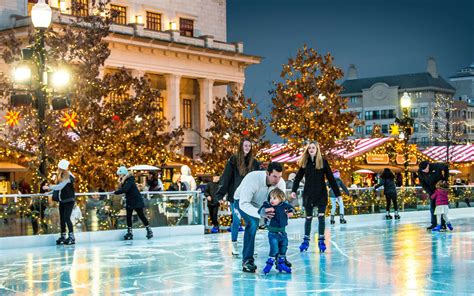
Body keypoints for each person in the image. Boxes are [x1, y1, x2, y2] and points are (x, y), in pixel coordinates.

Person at [291, 141, 342, 253]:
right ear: (307, 150)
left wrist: (338, 194)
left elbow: (331, 179)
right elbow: (298, 178)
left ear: (317, 149)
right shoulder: (305, 163)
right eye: (309, 148)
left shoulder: (323, 162)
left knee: (321, 217)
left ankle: (321, 240)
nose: (311, 150)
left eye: (313, 148)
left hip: (321, 193)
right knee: (308, 218)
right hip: (308, 194)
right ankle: (306, 240)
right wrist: (293, 190)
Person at [236, 162, 286, 273]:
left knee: (278, 223)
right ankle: (247, 261)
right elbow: (243, 203)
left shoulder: (280, 183)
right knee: (253, 223)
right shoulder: (253, 179)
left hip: (262, 205)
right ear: (267, 173)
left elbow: (280, 204)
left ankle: (280, 258)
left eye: (279, 177)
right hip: (241, 201)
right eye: (274, 176)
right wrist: (261, 213)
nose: (277, 180)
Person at [215, 138, 261, 256]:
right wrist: (220, 194)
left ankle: (250, 246)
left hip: (250, 197)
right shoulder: (233, 160)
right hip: (235, 196)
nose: (247, 148)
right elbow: (226, 177)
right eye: (245, 145)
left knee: (252, 222)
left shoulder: (254, 163)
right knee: (236, 220)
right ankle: (234, 244)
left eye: (249, 146)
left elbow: (258, 179)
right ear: (241, 146)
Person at [259, 188, 294, 274]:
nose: (272, 200)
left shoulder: (284, 205)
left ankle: (281, 263)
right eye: (271, 198)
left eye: (274, 198)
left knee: (284, 247)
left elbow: (291, 209)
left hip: (283, 233)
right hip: (272, 233)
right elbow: (260, 210)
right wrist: (265, 210)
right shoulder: (268, 205)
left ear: (281, 198)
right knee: (274, 249)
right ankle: (269, 264)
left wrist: (290, 213)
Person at [114, 166, 153, 240]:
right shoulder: (124, 181)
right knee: (128, 216)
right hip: (130, 200)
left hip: (136, 200)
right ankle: (130, 232)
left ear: (124, 174)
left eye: (120, 175)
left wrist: (115, 192)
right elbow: (122, 188)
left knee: (141, 215)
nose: (119, 176)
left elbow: (125, 189)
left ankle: (149, 230)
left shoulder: (130, 179)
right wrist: (120, 183)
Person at [43, 159, 76, 245]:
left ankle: (71, 236)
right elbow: (58, 189)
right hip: (62, 200)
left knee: (66, 218)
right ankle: (63, 235)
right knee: (62, 219)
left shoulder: (68, 176)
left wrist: (49, 187)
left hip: (69, 200)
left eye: (60, 168)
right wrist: (49, 192)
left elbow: (60, 187)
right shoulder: (61, 175)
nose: (58, 169)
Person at [418, 161, 449, 230]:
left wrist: (445, 179)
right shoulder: (420, 172)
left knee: (440, 208)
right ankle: (434, 224)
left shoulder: (436, 166)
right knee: (432, 208)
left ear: (428, 165)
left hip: (440, 189)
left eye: (426, 169)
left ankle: (443, 224)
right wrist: (429, 191)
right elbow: (422, 183)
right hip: (432, 191)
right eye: (424, 170)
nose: (425, 171)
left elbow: (446, 167)